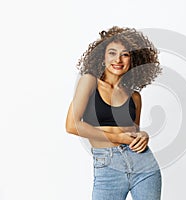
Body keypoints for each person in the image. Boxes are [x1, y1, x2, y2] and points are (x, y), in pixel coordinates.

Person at [65, 26, 163, 200]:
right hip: (108, 167)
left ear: (133, 60)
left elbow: (133, 133)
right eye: (112, 53)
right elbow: (72, 125)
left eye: (125, 54)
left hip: (144, 165)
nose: (118, 59)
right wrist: (119, 137)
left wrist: (144, 135)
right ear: (102, 56)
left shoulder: (134, 96)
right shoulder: (89, 82)